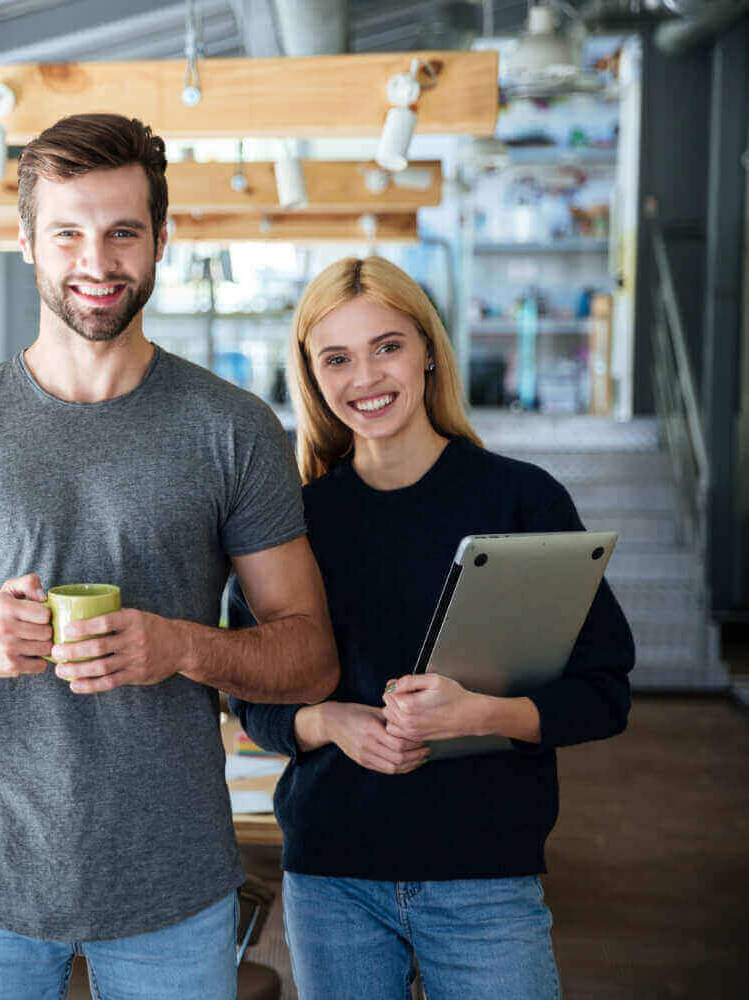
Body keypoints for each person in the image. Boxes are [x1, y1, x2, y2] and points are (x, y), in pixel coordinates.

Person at [0, 113, 339, 1000]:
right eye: (67, 232)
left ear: (161, 241)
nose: (96, 263)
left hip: (174, 890)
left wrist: (181, 648)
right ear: (26, 242)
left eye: (122, 233)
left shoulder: (233, 431)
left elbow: (309, 658)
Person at [232, 255, 634, 1000]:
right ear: (313, 375)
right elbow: (250, 695)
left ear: (426, 352)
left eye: (388, 346)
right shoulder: (294, 519)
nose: (367, 378)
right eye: (338, 358)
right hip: (332, 873)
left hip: (484, 873)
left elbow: (605, 691)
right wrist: (330, 723)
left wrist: (479, 714)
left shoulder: (522, 500)